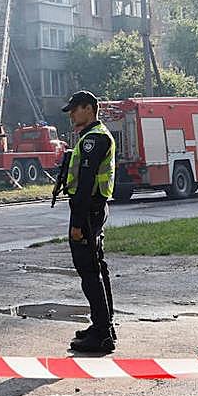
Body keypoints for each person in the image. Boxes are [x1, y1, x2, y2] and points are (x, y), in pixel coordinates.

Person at [60, 90, 118, 354]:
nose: (71, 114)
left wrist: (77, 224)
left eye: (75, 109)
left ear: (89, 108)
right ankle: (103, 325)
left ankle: (102, 335)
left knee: (89, 272)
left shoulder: (94, 140)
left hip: (88, 211)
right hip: (94, 209)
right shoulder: (92, 136)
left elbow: (84, 184)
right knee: (97, 268)